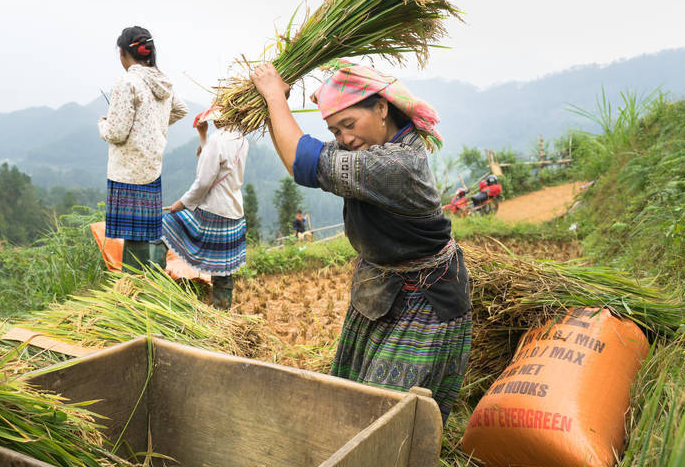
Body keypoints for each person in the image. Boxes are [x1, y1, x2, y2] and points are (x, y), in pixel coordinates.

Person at [249, 60, 472, 424]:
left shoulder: (396, 165)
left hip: (426, 302)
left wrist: (275, 97)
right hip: (382, 292)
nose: (344, 139)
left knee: (385, 416)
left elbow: (302, 162)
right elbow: (299, 159)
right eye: (335, 131)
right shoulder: (371, 152)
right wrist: (273, 105)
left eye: (349, 125)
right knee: (354, 404)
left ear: (382, 108)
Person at [99, 26, 188, 271]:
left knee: (133, 237)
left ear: (122, 52)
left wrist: (102, 125)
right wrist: (151, 125)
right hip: (151, 169)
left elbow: (116, 133)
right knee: (142, 234)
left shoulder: (126, 81)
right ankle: (149, 284)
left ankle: (134, 290)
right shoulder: (162, 80)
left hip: (127, 171)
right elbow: (181, 109)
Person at [161, 107, 248, 309]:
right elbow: (216, 164)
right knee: (223, 269)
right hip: (233, 211)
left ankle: (155, 285)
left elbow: (203, 180)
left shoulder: (218, 139)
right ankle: (222, 313)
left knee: (164, 226)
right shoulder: (242, 139)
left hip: (212, 211)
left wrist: (181, 203)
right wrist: (203, 136)